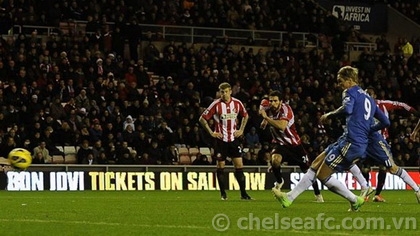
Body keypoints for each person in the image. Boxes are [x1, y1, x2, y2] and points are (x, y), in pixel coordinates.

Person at [272, 66, 390, 211]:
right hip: (349, 139)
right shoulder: (370, 99)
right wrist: (367, 130)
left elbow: (347, 109)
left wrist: (330, 115)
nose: (339, 85)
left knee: (322, 175)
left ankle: (355, 200)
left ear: (349, 80)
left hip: (352, 142)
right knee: (315, 164)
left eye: (340, 81)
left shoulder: (349, 91)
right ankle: (289, 198)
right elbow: (386, 122)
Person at [259, 90, 324, 202]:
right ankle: (279, 181)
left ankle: (318, 195)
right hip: (279, 143)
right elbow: (261, 108)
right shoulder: (266, 105)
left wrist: (266, 119)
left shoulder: (286, 110)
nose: (272, 103)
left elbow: (282, 126)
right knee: (275, 160)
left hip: (294, 145)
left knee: (308, 170)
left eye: (275, 101)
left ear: (281, 101)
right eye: (271, 101)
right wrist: (264, 120)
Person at [357, 87, 419, 202]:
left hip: (380, 141)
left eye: (370, 93)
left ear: (375, 95)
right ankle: (366, 191)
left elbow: (402, 105)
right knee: (363, 167)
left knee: (385, 167)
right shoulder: (361, 107)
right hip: (366, 141)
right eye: (366, 93)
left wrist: (415, 113)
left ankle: (377, 194)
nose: (368, 95)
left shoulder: (383, 104)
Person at [199, 82, 252, 200]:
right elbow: (202, 119)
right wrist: (211, 132)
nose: (223, 94)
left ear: (230, 91)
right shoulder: (215, 105)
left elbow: (245, 116)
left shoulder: (237, 103)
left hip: (233, 139)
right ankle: (223, 194)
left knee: (239, 165)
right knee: (220, 166)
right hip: (220, 140)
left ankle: (244, 194)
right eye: (221, 92)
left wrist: (241, 130)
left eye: (226, 91)